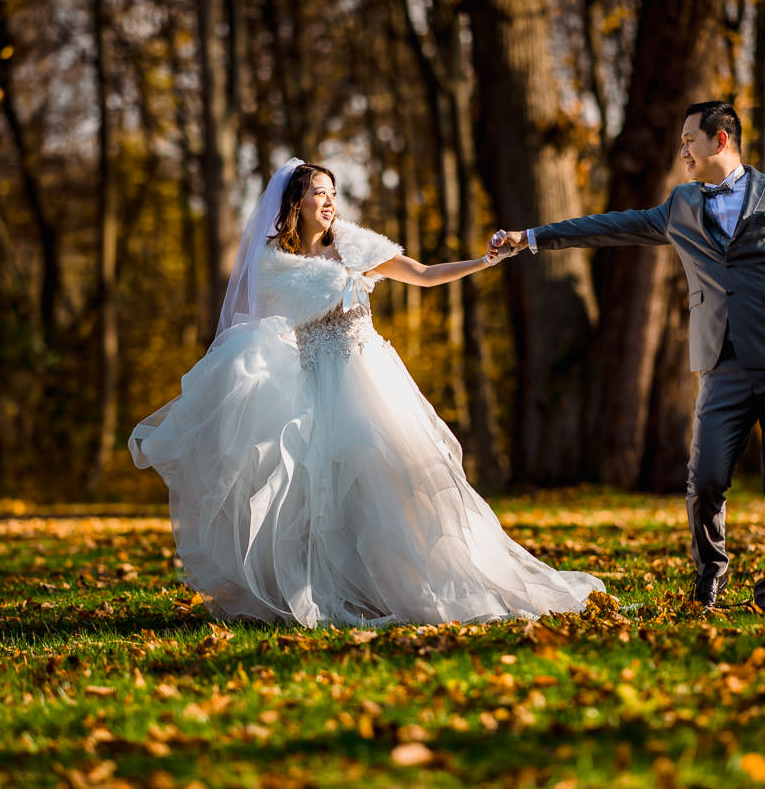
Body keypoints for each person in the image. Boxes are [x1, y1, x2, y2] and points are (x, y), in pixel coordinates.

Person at [130, 158, 604, 627]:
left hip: (368, 379)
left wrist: (484, 261)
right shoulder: (273, 264)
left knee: (395, 474)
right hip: (312, 386)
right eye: (320, 193)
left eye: (334, 194)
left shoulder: (355, 247)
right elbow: (262, 327)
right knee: (326, 494)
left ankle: (416, 580)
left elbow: (421, 273)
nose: (329, 203)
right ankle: (346, 587)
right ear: (296, 202)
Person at [487, 101, 765, 613]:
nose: (682, 151)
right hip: (722, 363)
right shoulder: (680, 205)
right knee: (706, 477)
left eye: (689, 140)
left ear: (721, 140)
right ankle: (710, 572)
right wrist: (531, 238)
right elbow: (608, 226)